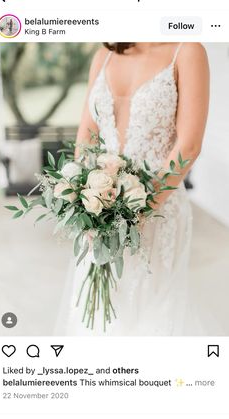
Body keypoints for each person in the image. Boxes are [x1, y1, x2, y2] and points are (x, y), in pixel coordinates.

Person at [56, 42, 209, 336]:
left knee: (151, 310)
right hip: (99, 207)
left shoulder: (187, 50)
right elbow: (86, 137)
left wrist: (138, 211)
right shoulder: (105, 55)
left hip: (158, 209)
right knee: (98, 313)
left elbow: (188, 146)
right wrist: (84, 199)